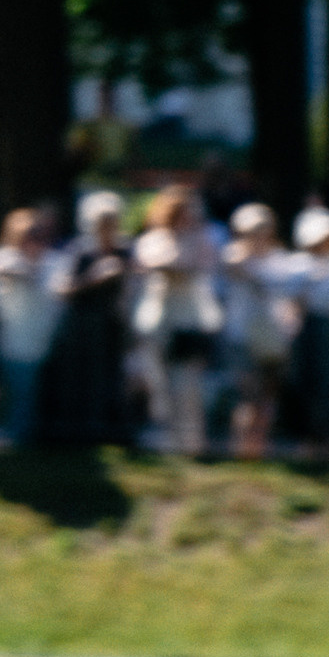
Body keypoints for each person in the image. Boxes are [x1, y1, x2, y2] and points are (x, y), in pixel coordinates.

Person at [131, 186, 220, 456]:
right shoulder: (154, 238)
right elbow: (149, 262)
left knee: (188, 386)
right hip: (158, 321)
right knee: (159, 385)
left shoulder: (202, 239)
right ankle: (166, 444)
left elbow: (197, 265)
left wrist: (178, 261)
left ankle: (192, 446)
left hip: (189, 323)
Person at [40, 189, 132, 448]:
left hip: (111, 327)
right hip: (81, 327)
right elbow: (62, 289)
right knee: (78, 382)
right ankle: (75, 436)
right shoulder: (81, 251)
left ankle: (105, 434)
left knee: (107, 381)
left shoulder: (124, 251)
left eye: (112, 222)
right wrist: (94, 277)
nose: (108, 228)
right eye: (103, 223)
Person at [217, 203, 295, 460]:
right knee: (246, 398)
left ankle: (258, 450)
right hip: (241, 338)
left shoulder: (279, 259)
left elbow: (286, 298)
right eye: (253, 230)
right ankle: (241, 452)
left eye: (263, 229)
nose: (259, 235)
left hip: (272, 339)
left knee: (266, 399)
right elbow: (235, 266)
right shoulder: (233, 256)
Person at [0, 206, 59, 449]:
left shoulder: (51, 262)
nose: (34, 243)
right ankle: (12, 438)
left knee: (30, 394)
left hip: (41, 340)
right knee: (16, 391)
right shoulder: (6, 258)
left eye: (38, 237)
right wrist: (25, 272)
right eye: (29, 237)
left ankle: (21, 439)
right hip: (13, 339)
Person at [287, 207, 329, 457]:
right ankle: (308, 439)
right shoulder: (298, 265)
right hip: (307, 329)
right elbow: (293, 301)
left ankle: (328, 437)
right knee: (306, 383)